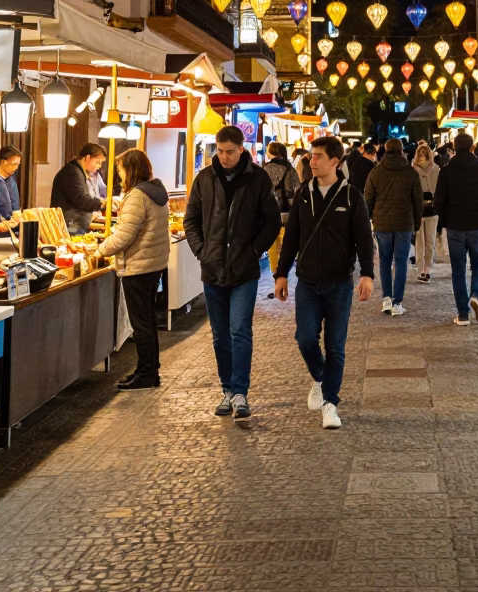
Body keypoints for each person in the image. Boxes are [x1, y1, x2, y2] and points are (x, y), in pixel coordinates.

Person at [274, 136, 374, 429]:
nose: (312, 161)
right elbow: (292, 236)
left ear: (335, 162)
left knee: (335, 346)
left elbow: (363, 238)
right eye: (311, 156)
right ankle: (320, 377)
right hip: (307, 281)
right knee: (305, 338)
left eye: (318, 156)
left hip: (339, 283)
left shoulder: (351, 196)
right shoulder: (303, 194)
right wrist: (281, 273)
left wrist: (367, 274)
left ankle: (330, 403)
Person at [184, 125, 281, 420]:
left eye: (230, 151)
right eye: (220, 151)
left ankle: (240, 392)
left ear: (241, 149)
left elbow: (272, 221)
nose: (224, 157)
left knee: (240, 330)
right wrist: (202, 251)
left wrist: (254, 250)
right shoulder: (205, 178)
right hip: (213, 268)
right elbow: (191, 219)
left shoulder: (258, 178)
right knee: (220, 335)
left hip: (244, 270)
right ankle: (226, 389)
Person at [96, 150, 169, 390]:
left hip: (138, 267)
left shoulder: (138, 195)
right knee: (147, 319)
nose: (120, 175)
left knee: (142, 323)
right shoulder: (155, 191)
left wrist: (100, 251)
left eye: (121, 170)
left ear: (131, 170)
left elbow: (124, 236)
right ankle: (149, 370)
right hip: (152, 265)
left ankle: (146, 374)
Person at [434, 132, 478, 325]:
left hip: (455, 225)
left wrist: (444, 221)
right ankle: (476, 295)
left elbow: (439, 201)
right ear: (472, 148)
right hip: (477, 224)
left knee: (458, 270)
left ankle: (462, 314)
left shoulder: (446, 171)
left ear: (454, 148)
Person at [364, 138, 422, 315]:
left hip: (382, 224)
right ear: (402, 150)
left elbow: (368, 199)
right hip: (404, 223)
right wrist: (416, 223)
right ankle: (397, 302)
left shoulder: (376, 172)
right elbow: (417, 201)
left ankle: (386, 299)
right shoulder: (410, 172)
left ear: (385, 150)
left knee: (384, 261)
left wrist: (369, 219)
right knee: (401, 262)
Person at [50, 144, 108, 234]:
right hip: (70, 226)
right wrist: (101, 204)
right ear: (88, 157)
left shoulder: (78, 171)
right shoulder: (72, 172)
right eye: (98, 162)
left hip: (74, 225)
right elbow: (79, 198)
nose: (99, 166)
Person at [412, 141, 440, 281]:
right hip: (421, 208)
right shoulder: (412, 169)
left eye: (424, 153)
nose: (422, 155)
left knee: (427, 241)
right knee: (423, 242)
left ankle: (425, 269)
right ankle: (423, 269)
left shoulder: (435, 169)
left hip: (428, 208)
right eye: (420, 153)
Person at [264, 141, 300, 214]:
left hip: (273, 206)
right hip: (290, 205)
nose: (266, 152)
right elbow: (297, 188)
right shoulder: (290, 168)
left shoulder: (267, 168)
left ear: (272, 151)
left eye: (267, 150)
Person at [0, 146, 21, 232]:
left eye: (18, 164)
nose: (16, 168)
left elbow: (15, 206)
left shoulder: (12, 177)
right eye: (14, 164)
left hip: (13, 228)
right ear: (3, 162)